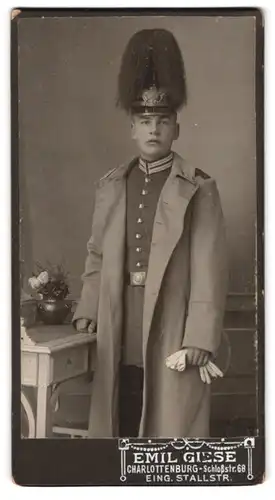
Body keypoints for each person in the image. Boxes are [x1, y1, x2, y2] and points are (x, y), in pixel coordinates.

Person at [72, 28, 228, 438]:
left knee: (167, 418)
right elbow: (97, 255)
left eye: (162, 121)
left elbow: (210, 269)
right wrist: (88, 310)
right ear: (132, 129)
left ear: (176, 128)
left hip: (171, 318)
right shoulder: (111, 185)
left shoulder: (199, 188)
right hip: (119, 311)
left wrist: (200, 336)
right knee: (120, 406)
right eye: (144, 121)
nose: (153, 130)